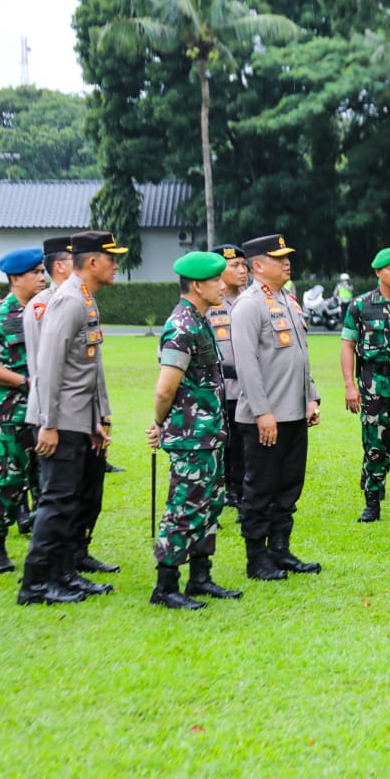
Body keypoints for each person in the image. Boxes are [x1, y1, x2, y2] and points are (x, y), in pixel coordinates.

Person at [19, 231, 124, 605]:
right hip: (58, 420)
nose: (116, 265)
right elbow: (48, 367)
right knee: (57, 501)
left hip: (76, 418)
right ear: (92, 262)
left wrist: (94, 418)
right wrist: (47, 422)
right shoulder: (67, 300)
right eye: (111, 258)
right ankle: (35, 583)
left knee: (72, 500)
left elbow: (86, 371)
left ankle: (63, 574)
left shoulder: (84, 297)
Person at [146, 251, 242, 610]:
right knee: (184, 507)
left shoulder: (201, 319)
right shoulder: (182, 325)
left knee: (209, 504)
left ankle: (200, 576)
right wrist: (159, 423)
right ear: (198, 285)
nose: (222, 285)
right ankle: (166, 584)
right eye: (216, 280)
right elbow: (165, 389)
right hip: (191, 437)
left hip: (208, 434)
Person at [232, 233, 322, 580]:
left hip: (294, 412)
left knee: (288, 485)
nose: (287, 262)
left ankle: (280, 550)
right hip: (264, 417)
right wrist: (261, 412)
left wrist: (310, 397)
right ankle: (257, 558)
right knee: (260, 487)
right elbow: (247, 364)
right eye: (278, 257)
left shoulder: (288, 300)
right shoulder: (249, 304)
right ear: (257, 266)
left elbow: (301, 356)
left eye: (287, 256)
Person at [0, 247, 47, 573]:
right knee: (4, 481)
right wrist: (25, 382)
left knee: (47, 482)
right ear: (16, 278)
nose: (43, 277)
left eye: (43, 271)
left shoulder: (48, 312)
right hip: (8, 414)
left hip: (45, 414)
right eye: (36, 273)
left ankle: (47, 547)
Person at [340, 246, 390, 523]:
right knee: (374, 443)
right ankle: (372, 503)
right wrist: (350, 386)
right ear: (378, 272)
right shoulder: (360, 306)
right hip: (373, 383)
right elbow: (348, 345)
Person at [207, 243, 249, 508]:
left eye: (244, 265)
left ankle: (239, 488)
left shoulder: (251, 299)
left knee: (243, 443)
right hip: (217, 386)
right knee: (220, 442)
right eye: (235, 266)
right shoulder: (209, 303)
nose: (242, 270)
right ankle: (220, 490)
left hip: (245, 388)